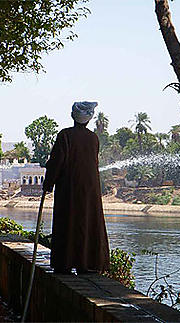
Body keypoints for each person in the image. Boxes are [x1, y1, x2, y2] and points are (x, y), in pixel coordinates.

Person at [42, 101, 110, 274]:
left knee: (68, 222)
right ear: (89, 119)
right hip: (90, 191)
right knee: (86, 222)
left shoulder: (64, 136)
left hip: (69, 190)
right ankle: (86, 263)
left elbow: (56, 163)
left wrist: (48, 184)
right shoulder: (93, 138)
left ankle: (64, 263)